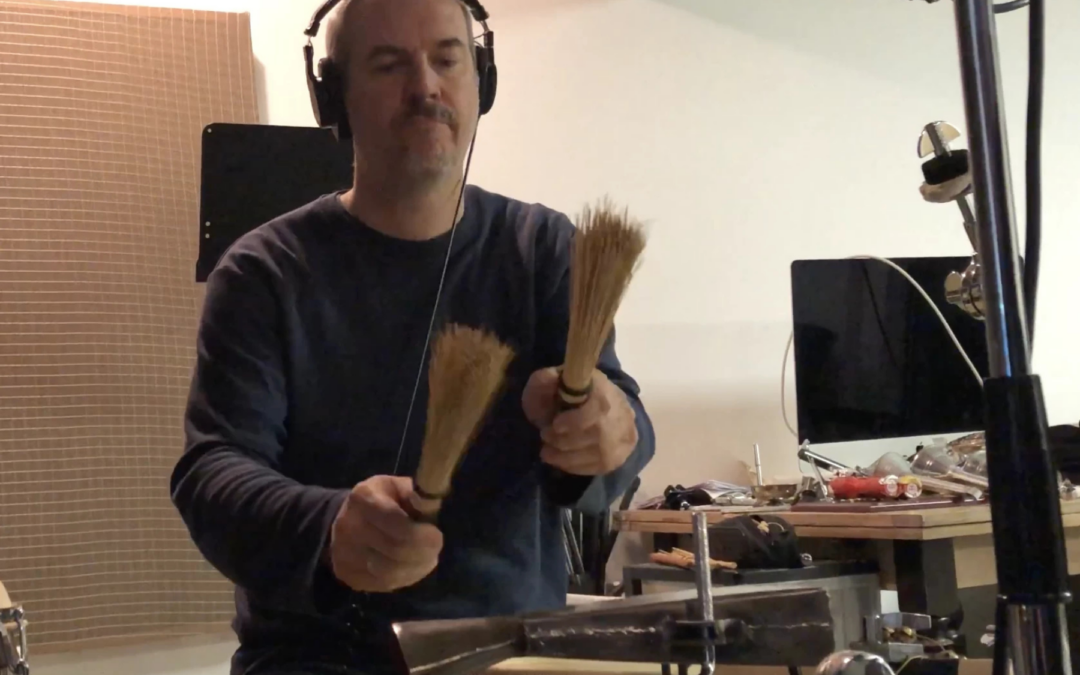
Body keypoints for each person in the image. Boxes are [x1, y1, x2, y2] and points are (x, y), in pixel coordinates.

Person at [169, 0, 656, 673]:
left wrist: (612, 430)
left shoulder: (545, 250)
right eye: (389, 64)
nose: (426, 86)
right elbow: (212, 472)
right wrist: (330, 527)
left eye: (447, 59)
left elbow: (625, 425)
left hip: (513, 657)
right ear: (334, 97)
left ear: (481, 80)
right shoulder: (264, 273)